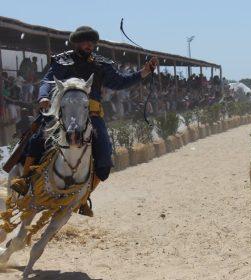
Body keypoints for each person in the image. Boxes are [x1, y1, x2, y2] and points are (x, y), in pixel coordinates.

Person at [10, 26, 158, 217]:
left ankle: (83, 197)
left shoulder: (102, 64)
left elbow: (120, 82)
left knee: (104, 158)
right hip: (62, 113)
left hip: (93, 115)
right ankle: (25, 179)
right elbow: (47, 82)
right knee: (38, 138)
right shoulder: (62, 60)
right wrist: (43, 98)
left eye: (91, 43)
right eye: (85, 42)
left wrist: (144, 71)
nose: (89, 45)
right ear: (77, 43)